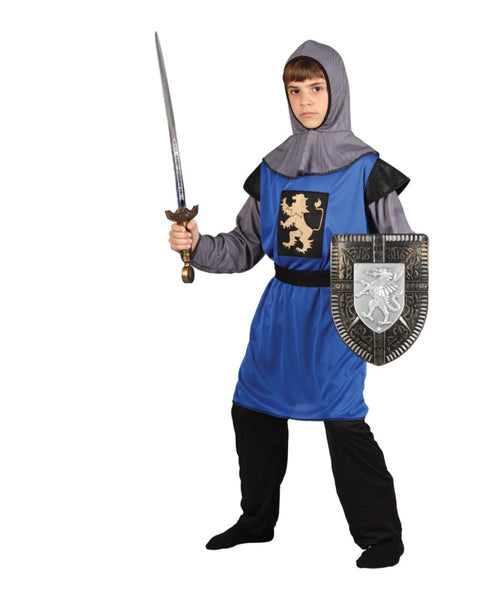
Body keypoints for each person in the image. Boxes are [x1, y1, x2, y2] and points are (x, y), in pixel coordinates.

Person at [169, 40, 414, 569]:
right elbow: (243, 246)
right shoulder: (273, 169)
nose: (305, 101)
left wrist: (379, 324)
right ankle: (256, 521)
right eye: (295, 90)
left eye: (316, 88)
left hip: (339, 312)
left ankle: (381, 536)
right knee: (251, 409)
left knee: (342, 420)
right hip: (279, 311)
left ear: (337, 91)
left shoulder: (366, 169)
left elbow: (397, 250)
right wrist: (197, 245)